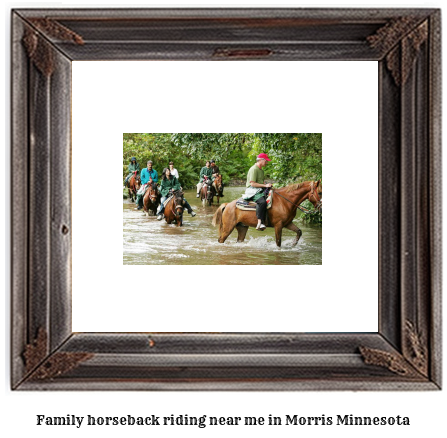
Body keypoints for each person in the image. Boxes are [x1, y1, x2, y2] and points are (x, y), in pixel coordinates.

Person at [242, 153, 272, 231]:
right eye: (266, 161)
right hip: (252, 190)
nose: (267, 163)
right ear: (261, 160)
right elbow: (252, 183)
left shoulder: (261, 170)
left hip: (259, 189)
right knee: (262, 202)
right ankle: (260, 222)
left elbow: (260, 182)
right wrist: (265, 186)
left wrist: (266, 185)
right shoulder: (254, 169)